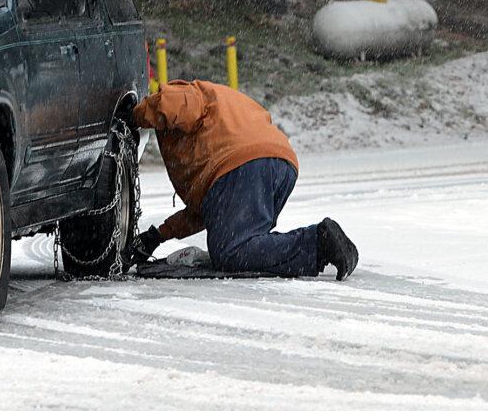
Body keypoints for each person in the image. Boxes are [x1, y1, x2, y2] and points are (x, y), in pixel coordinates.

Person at [128, 79, 358, 280]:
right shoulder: (219, 117)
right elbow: (212, 209)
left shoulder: (190, 93)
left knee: (232, 252)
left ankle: (318, 242)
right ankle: (319, 244)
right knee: (244, 245)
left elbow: (172, 103)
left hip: (242, 164)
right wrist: (158, 235)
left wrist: (134, 116)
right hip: (280, 163)